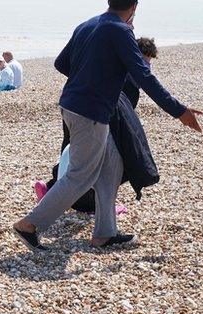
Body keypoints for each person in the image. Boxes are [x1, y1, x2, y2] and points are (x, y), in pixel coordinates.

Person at [13, 0, 202, 251]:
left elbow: (61, 63)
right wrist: (179, 111)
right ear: (135, 6)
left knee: (111, 166)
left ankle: (104, 233)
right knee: (80, 175)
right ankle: (28, 224)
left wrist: (90, 80)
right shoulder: (120, 31)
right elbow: (143, 76)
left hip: (76, 107)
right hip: (89, 112)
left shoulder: (87, 24)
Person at [34, 36, 161, 213]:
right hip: (94, 120)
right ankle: (94, 206)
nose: (145, 68)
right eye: (143, 62)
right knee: (101, 163)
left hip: (73, 108)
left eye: (148, 63)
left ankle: (50, 189)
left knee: (71, 154)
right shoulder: (127, 82)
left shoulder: (110, 68)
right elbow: (120, 115)